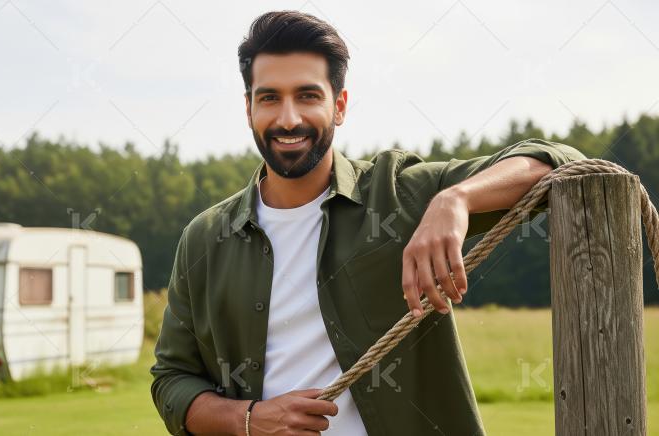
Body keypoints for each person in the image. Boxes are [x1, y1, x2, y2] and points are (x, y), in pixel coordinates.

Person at [151, 10, 585, 436]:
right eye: (269, 98)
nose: (288, 119)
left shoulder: (399, 195)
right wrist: (250, 420)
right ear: (248, 109)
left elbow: (564, 164)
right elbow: (172, 379)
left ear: (338, 105)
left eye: (307, 95)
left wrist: (456, 199)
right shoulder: (203, 239)